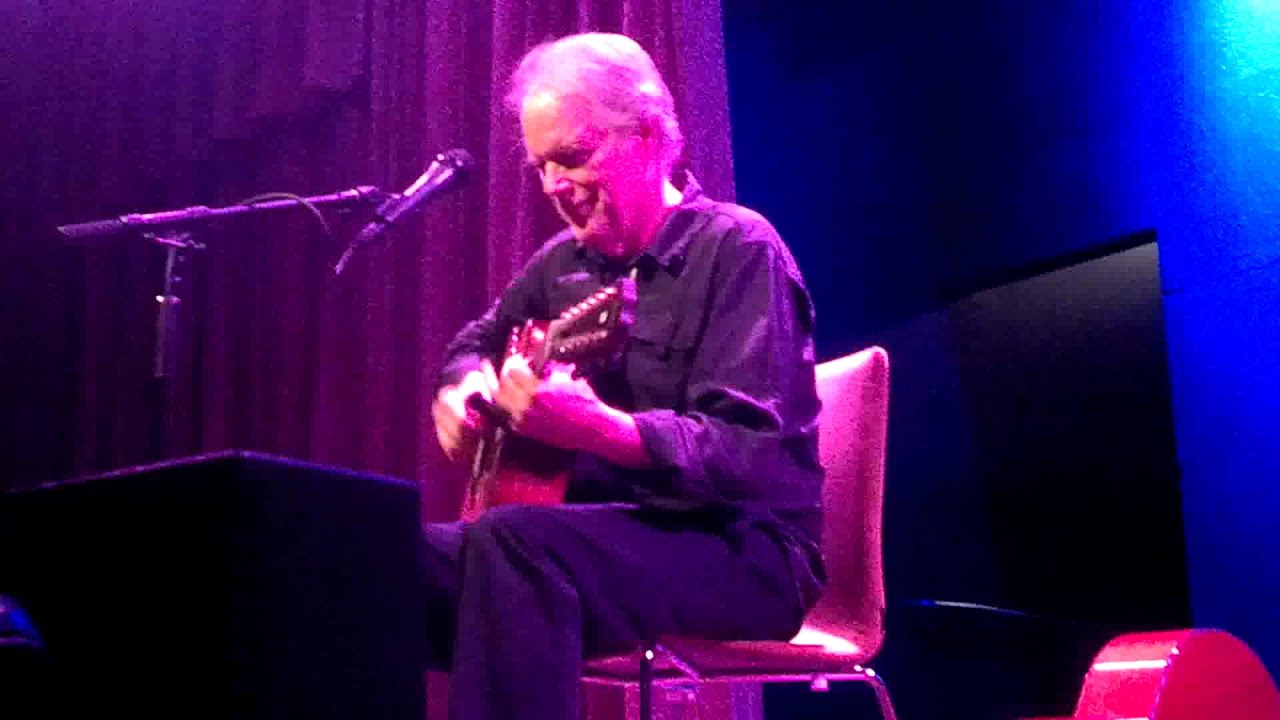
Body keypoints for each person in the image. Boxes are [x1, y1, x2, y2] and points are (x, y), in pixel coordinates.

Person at [424, 32, 826, 720]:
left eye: (573, 157)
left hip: (747, 550)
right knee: (375, 555)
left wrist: (602, 430)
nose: (553, 185)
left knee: (515, 543)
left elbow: (750, 455)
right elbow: (474, 344)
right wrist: (464, 389)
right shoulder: (561, 266)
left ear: (648, 136)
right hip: (601, 540)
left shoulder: (737, 247)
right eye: (541, 166)